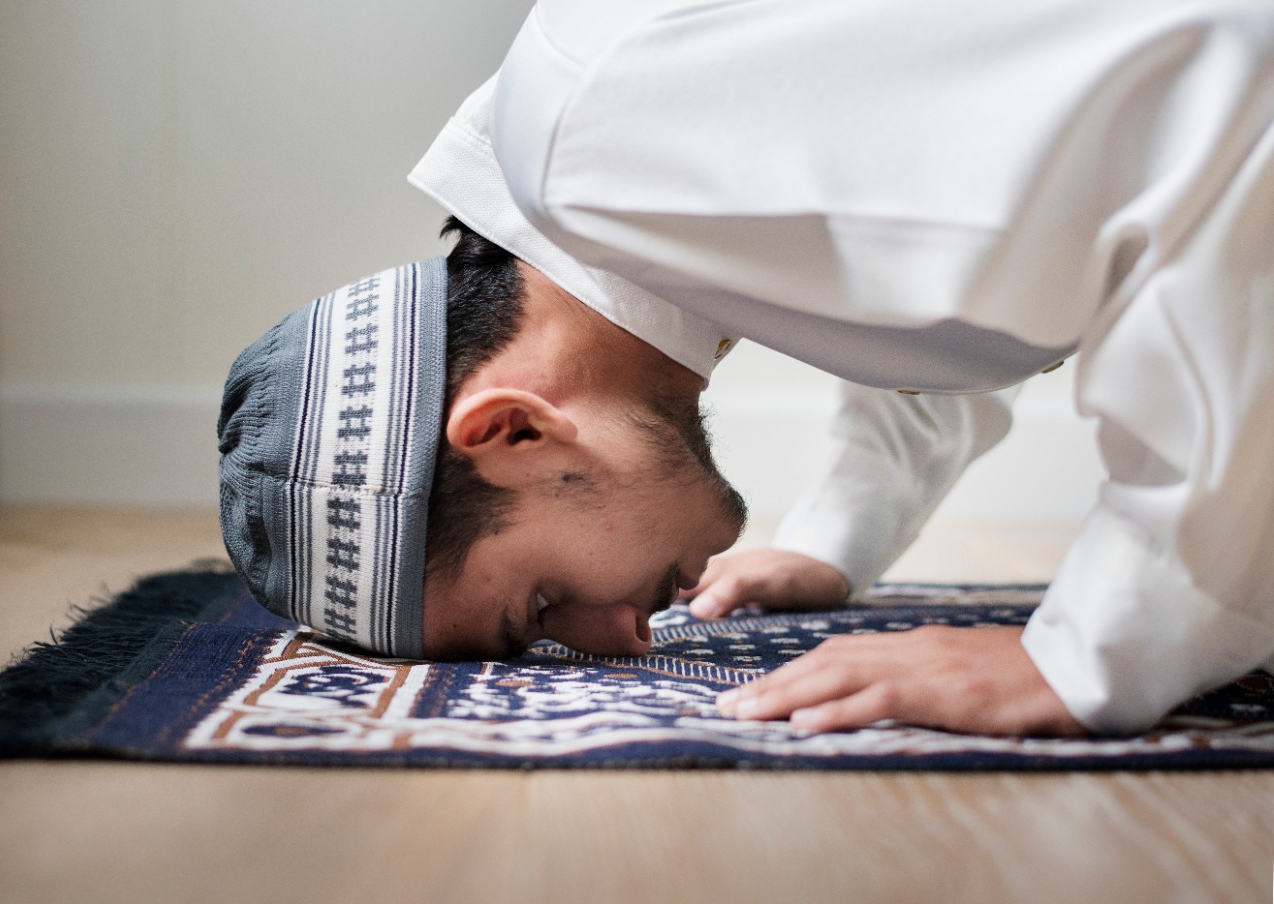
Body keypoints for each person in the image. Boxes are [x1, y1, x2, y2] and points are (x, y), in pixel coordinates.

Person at [220, 0, 1274, 737]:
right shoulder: (625, 179)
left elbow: (1225, 113)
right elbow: (965, 258)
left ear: (510, 429)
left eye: (542, 604)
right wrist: (836, 537)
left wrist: (1106, 641)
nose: (622, 639)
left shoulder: (608, 124)